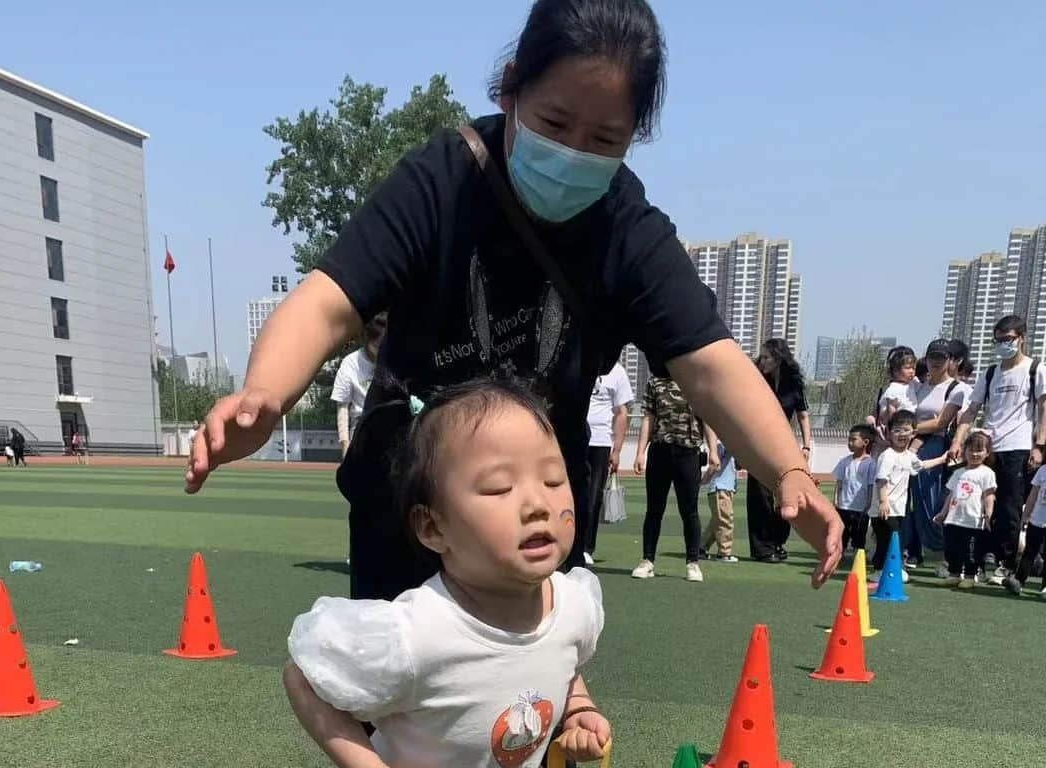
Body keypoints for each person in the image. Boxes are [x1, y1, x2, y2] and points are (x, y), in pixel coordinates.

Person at [186, 0, 841, 599]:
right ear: (511, 88)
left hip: (533, 525)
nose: (572, 153)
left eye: (604, 140)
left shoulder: (626, 228)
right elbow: (328, 302)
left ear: (633, 136)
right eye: (554, 122)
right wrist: (266, 394)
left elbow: (709, 364)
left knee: (529, 717)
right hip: (412, 513)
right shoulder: (441, 181)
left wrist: (788, 469)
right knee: (392, 709)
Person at [282, 375, 610, 768]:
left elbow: (562, 661)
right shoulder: (414, 634)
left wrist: (578, 712)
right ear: (434, 529)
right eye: (500, 489)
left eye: (553, 480)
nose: (537, 505)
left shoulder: (572, 605)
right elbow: (301, 677)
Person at [950, 314, 1046, 586]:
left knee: (1009, 508)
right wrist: (959, 440)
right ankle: (978, 560)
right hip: (988, 446)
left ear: (1021, 338)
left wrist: (1039, 446)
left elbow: (1043, 407)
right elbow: (971, 410)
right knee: (980, 505)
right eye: (999, 341)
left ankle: (1005, 563)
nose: (1003, 345)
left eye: (1008, 340)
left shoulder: (1035, 369)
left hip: (1017, 447)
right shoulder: (991, 372)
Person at [632, 369, 717, 580]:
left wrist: (713, 451)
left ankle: (693, 563)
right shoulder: (655, 382)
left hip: (688, 453)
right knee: (654, 510)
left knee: (689, 511)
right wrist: (640, 452)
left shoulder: (697, 380)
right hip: (660, 451)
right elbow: (648, 417)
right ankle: (647, 560)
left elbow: (707, 419)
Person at [746, 338, 810, 563]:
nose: (761, 361)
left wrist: (806, 446)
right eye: (761, 357)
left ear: (779, 359)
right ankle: (762, 548)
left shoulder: (794, 384)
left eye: (766, 357)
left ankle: (778, 542)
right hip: (758, 445)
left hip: (785, 446)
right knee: (760, 498)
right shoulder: (755, 380)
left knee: (786, 496)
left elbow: (803, 415)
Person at [869, 410, 948, 574]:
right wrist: (883, 501)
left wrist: (942, 459)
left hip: (897, 509)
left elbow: (922, 465)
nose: (901, 434)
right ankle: (881, 571)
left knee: (892, 539)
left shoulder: (908, 456)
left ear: (913, 433)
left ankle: (886, 569)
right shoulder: (888, 455)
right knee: (888, 540)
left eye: (905, 430)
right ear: (889, 433)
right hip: (884, 509)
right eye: (896, 430)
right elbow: (881, 479)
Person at [907, 339, 963, 570]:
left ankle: (945, 557)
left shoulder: (957, 388)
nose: (936, 363)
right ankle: (910, 551)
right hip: (909, 446)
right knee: (909, 503)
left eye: (941, 358)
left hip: (936, 448)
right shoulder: (919, 387)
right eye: (932, 357)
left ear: (950, 361)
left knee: (933, 503)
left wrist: (911, 429)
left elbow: (942, 422)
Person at [583, 359, 633, 560]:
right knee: (569, 494)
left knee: (593, 498)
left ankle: (587, 548)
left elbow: (621, 413)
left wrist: (617, 450)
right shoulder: (581, 363)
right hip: (574, 439)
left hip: (600, 442)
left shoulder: (618, 372)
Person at [933, 430, 996, 588]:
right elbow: (951, 495)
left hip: (973, 521)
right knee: (952, 549)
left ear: (987, 453)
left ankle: (969, 575)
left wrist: (988, 514)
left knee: (971, 551)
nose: (974, 454)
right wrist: (943, 513)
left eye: (979, 450)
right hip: (953, 519)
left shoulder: (987, 473)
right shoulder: (958, 473)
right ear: (964, 451)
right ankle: (954, 574)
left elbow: (989, 496)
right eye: (971, 450)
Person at [330, 313, 386, 461]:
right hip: (361, 430)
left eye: (384, 346)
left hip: (390, 425)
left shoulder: (393, 359)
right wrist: (345, 444)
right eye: (376, 347)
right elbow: (342, 408)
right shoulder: (350, 364)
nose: (380, 352)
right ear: (366, 339)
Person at [830, 424, 876, 556]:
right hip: (844, 506)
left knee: (859, 534)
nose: (850, 443)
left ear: (865, 442)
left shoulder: (871, 464)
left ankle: (858, 555)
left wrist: (868, 504)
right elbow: (839, 482)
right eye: (848, 440)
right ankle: (839, 553)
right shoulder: (844, 462)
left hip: (861, 508)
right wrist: (835, 500)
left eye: (853, 439)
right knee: (842, 532)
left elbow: (870, 486)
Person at [1005, 462, 1046, 598]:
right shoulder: (1042, 470)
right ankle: (1019, 581)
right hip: (1037, 520)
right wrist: (1026, 514)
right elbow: (1033, 494)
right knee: (1029, 551)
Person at [867, 346, 917, 443]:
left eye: (913, 368)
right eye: (907, 368)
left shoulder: (912, 384)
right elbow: (891, 412)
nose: (912, 371)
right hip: (896, 430)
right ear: (895, 371)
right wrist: (891, 429)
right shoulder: (893, 388)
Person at [700, 440, 738, 562]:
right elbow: (714, 465)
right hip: (721, 488)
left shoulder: (729, 444)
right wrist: (702, 481)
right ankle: (724, 553)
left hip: (725, 488)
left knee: (717, 522)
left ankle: (700, 548)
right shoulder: (721, 443)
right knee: (725, 521)